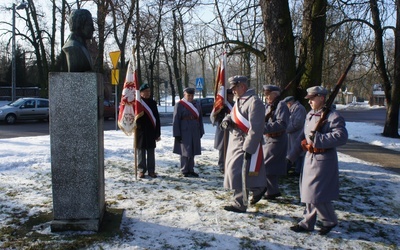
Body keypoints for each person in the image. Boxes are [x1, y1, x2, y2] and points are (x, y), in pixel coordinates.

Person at [287, 86, 348, 235]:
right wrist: (291, 156)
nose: (310, 102)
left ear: (321, 98)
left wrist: (320, 139)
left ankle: (329, 220)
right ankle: (308, 222)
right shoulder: (310, 115)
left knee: (316, 193)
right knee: (308, 192)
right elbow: (302, 136)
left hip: (323, 160)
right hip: (309, 158)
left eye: (312, 98)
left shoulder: (333, 116)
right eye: (309, 99)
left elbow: (341, 136)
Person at [220, 75, 267, 213]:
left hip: (244, 143)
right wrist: (227, 120)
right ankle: (257, 189)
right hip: (235, 142)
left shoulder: (254, 102)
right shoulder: (240, 100)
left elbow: (256, 127)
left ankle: (240, 203)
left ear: (242, 86)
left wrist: (249, 147)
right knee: (237, 172)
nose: (233, 91)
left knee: (237, 172)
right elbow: (234, 115)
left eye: (235, 88)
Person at [262, 85, 290, 200]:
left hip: (277, 140)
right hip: (269, 139)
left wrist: (263, 127)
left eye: (269, 94)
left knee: (266, 165)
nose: (266, 96)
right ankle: (272, 191)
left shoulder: (281, 105)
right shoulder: (270, 106)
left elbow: (282, 124)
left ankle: (268, 190)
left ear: (276, 94)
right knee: (270, 167)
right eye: (265, 94)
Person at [173, 87, 205, 177]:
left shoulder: (196, 104)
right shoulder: (179, 105)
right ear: (184, 95)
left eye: (192, 95)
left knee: (193, 150)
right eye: (188, 95)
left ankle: (191, 169)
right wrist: (177, 134)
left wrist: (201, 130)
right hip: (184, 130)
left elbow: (200, 119)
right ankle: (184, 169)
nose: (190, 97)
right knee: (185, 151)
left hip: (195, 129)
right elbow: (176, 120)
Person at [136, 83, 161, 178]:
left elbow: (156, 118)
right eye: (146, 91)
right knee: (141, 151)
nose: (148, 93)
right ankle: (141, 170)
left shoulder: (152, 103)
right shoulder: (138, 103)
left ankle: (151, 170)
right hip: (140, 130)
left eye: (149, 91)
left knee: (151, 152)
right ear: (141, 93)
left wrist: (158, 133)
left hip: (151, 130)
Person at [284, 96, 307, 176]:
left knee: (298, 152)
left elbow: (297, 123)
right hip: (292, 135)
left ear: (289, 103)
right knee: (292, 151)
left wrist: (286, 129)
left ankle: (298, 170)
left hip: (297, 134)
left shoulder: (299, 109)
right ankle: (293, 168)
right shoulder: (294, 109)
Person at [213, 89, 234, 173]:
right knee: (222, 147)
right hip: (222, 130)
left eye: (232, 96)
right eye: (229, 96)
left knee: (231, 147)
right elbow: (215, 118)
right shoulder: (221, 106)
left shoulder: (235, 104)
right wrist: (222, 112)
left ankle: (229, 164)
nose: (231, 97)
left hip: (232, 129)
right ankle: (222, 165)